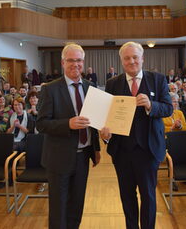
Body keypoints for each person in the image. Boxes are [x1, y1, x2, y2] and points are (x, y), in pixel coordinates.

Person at [100, 41, 173, 229]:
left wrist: (151, 105)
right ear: (121, 61)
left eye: (135, 57)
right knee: (127, 197)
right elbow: (106, 117)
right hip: (122, 151)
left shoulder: (157, 79)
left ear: (142, 59)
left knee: (148, 196)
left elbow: (168, 109)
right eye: (127, 58)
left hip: (148, 150)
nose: (131, 61)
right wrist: (105, 134)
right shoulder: (112, 83)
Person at [36, 43, 100, 229]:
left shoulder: (90, 87)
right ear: (63, 62)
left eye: (79, 60)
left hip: (83, 158)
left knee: (76, 206)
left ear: (83, 62)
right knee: (58, 209)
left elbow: (93, 123)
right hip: (58, 159)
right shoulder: (50, 89)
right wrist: (67, 124)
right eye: (71, 60)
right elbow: (41, 124)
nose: (76, 64)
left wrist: (95, 148)